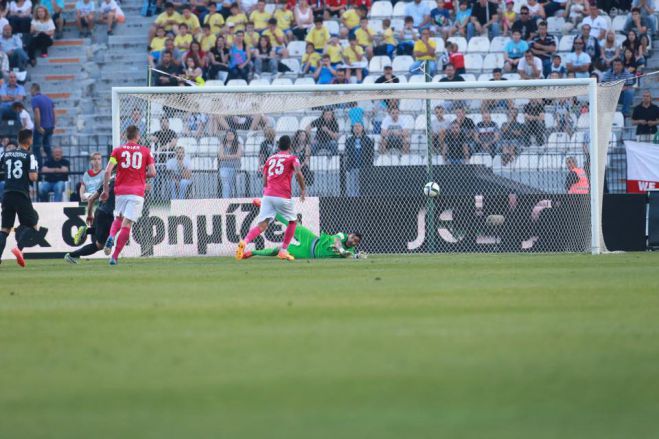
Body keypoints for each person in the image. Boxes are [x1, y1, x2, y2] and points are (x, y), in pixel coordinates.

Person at [235, 135, 305, 262]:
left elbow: (265, 177)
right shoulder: (292, 158)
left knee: (262, 225)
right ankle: (283, 251)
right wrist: (303, 189)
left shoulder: (270, 158)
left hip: (268, 195)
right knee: (293, 221)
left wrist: (266, 189)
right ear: (290, 146)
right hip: (283, 196)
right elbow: (298, 172)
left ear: (278, 146)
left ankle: (244, 242)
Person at [101, 125, 157, 265]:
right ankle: (114, 257)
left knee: (118, 218)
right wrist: (140, 175)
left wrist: (105, 190)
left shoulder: (117, 151)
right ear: (138, 136)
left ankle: (112, 235)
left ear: (126, 136)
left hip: (121, 191)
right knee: (127, 224)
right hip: (137, 192)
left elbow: (107, 171)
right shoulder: (145, 151)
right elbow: (153, 172)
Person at [243, 209, 362, 259]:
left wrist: (353, 256)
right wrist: (341, 250)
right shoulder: (342, 236)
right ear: (349, 234)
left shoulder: (349, 252)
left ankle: (252, 253)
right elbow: (336, 240)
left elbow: (349, 256)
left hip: (307, 253)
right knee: (293, 224)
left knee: (279, 250)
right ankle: (267, 208)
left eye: (355, 241)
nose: (352, 241)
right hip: (311, 239)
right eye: (353, 237)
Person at [0, 129, 41, 267]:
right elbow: (33, 177)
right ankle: (19, 248)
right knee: (33, 224)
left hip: (6, 194)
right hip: (21, 194)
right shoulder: (29, 156)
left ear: (18, 140)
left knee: (5, 229)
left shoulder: (6, 154)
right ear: (29, 140)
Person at [65, 176, 116, 264]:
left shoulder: (108, 181)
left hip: (99, 212)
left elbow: (91, 199)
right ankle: (71, 255)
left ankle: (87, 230)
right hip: (108, 214)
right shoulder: (124, 181)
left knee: (102, 234)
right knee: (100, 245)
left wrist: (89, 215)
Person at [344, 122, 374, 197]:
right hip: (352, 167)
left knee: (364, 189)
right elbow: (347, 154)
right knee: (353, 189)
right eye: (355, 126)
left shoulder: (367, 140)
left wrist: (369, 167)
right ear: (353, 129)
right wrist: (347, 166)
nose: (357, 128)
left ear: (362, 128)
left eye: (359, 126)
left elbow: (370, 154)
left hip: (364, 168)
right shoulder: (349, 140)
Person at [30, 83, 55, 169]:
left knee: (36, 149)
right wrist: (53, 125)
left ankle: (40, 170)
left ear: (34, 89)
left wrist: (38, 126)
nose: (30, 92)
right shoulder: (48, 98)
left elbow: (37, 112)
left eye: (31, 90)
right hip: (49, 127)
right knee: (47, 149)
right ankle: (50, 167)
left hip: (41, 127)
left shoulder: (35, 99)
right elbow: (53, 113)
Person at [218, 129, 242, 198]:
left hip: (235, 168)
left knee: (235, 186)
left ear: (234, 136)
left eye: (231, 134)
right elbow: (221, 157)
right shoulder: (222, 144)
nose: (229, 136)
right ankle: (225, 201)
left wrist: (226, 156)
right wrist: (233, 156)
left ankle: (235, 201)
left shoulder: (238, 144)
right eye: (228, 134)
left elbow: (238, 156)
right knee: (226, 185)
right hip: (224, 167)